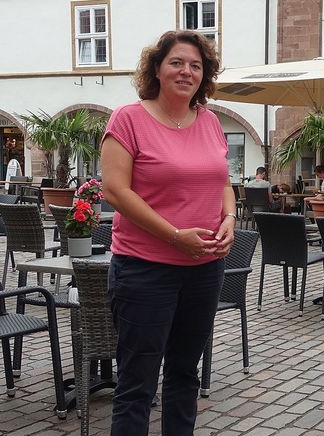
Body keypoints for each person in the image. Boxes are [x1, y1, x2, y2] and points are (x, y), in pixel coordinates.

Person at [100, 30, 236, 436]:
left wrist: (229, 217)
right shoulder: (128, 118)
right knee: (136, 384)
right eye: (177, 62)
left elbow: (222, 181)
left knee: (184, 374)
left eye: (196, 65)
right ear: (157, 69)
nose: (186, 71)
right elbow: (115, 191)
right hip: (145, 270)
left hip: (204, 269)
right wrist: (175, 235)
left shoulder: (210, 121)